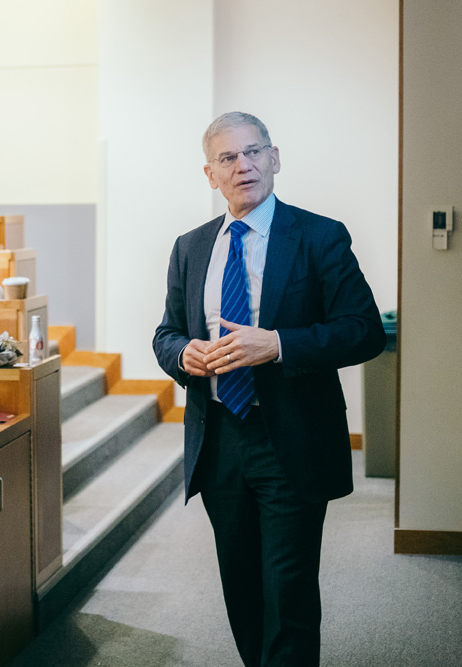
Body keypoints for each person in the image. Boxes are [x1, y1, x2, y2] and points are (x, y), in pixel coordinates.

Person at [152, 111, 384, 666]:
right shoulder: (190, 247)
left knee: (288, 590)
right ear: (210, 174)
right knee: (242, 586)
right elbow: (166, 333)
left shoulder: (319, 236)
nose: (244, 166)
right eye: (228, 158)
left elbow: (364, 330)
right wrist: (184, 354)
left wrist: (278, 344)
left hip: (291, 438)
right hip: (218, 440)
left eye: (254, 152)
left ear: (274, 159)